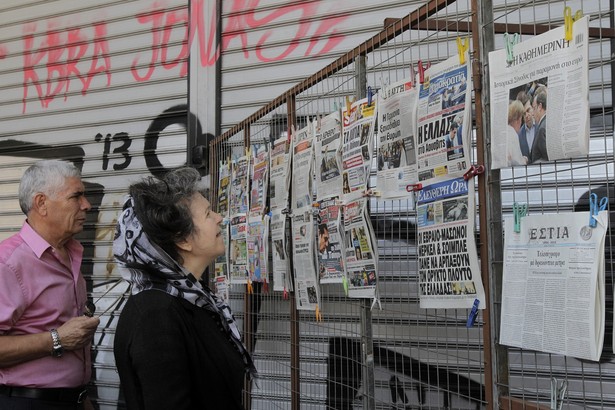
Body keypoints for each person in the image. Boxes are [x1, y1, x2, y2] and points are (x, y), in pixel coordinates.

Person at [113, 167, 256, 409]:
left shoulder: (192, 299)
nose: (219, 217)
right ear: (183, 240)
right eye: (209, 213)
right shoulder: (155, 315)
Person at [0, 160, 100, 410]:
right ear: (41, 203)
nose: (86, 205)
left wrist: (80, 397)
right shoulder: (9, 263)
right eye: (76, 196)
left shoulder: (72, 253)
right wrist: (57, 339)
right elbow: (64, 337)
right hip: (25, 402)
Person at [531, 87, 548, 163]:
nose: (532, 113)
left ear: (540, 107)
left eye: (534, 108)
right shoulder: (546, 124)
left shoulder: (542, 129)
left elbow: (547, 159)